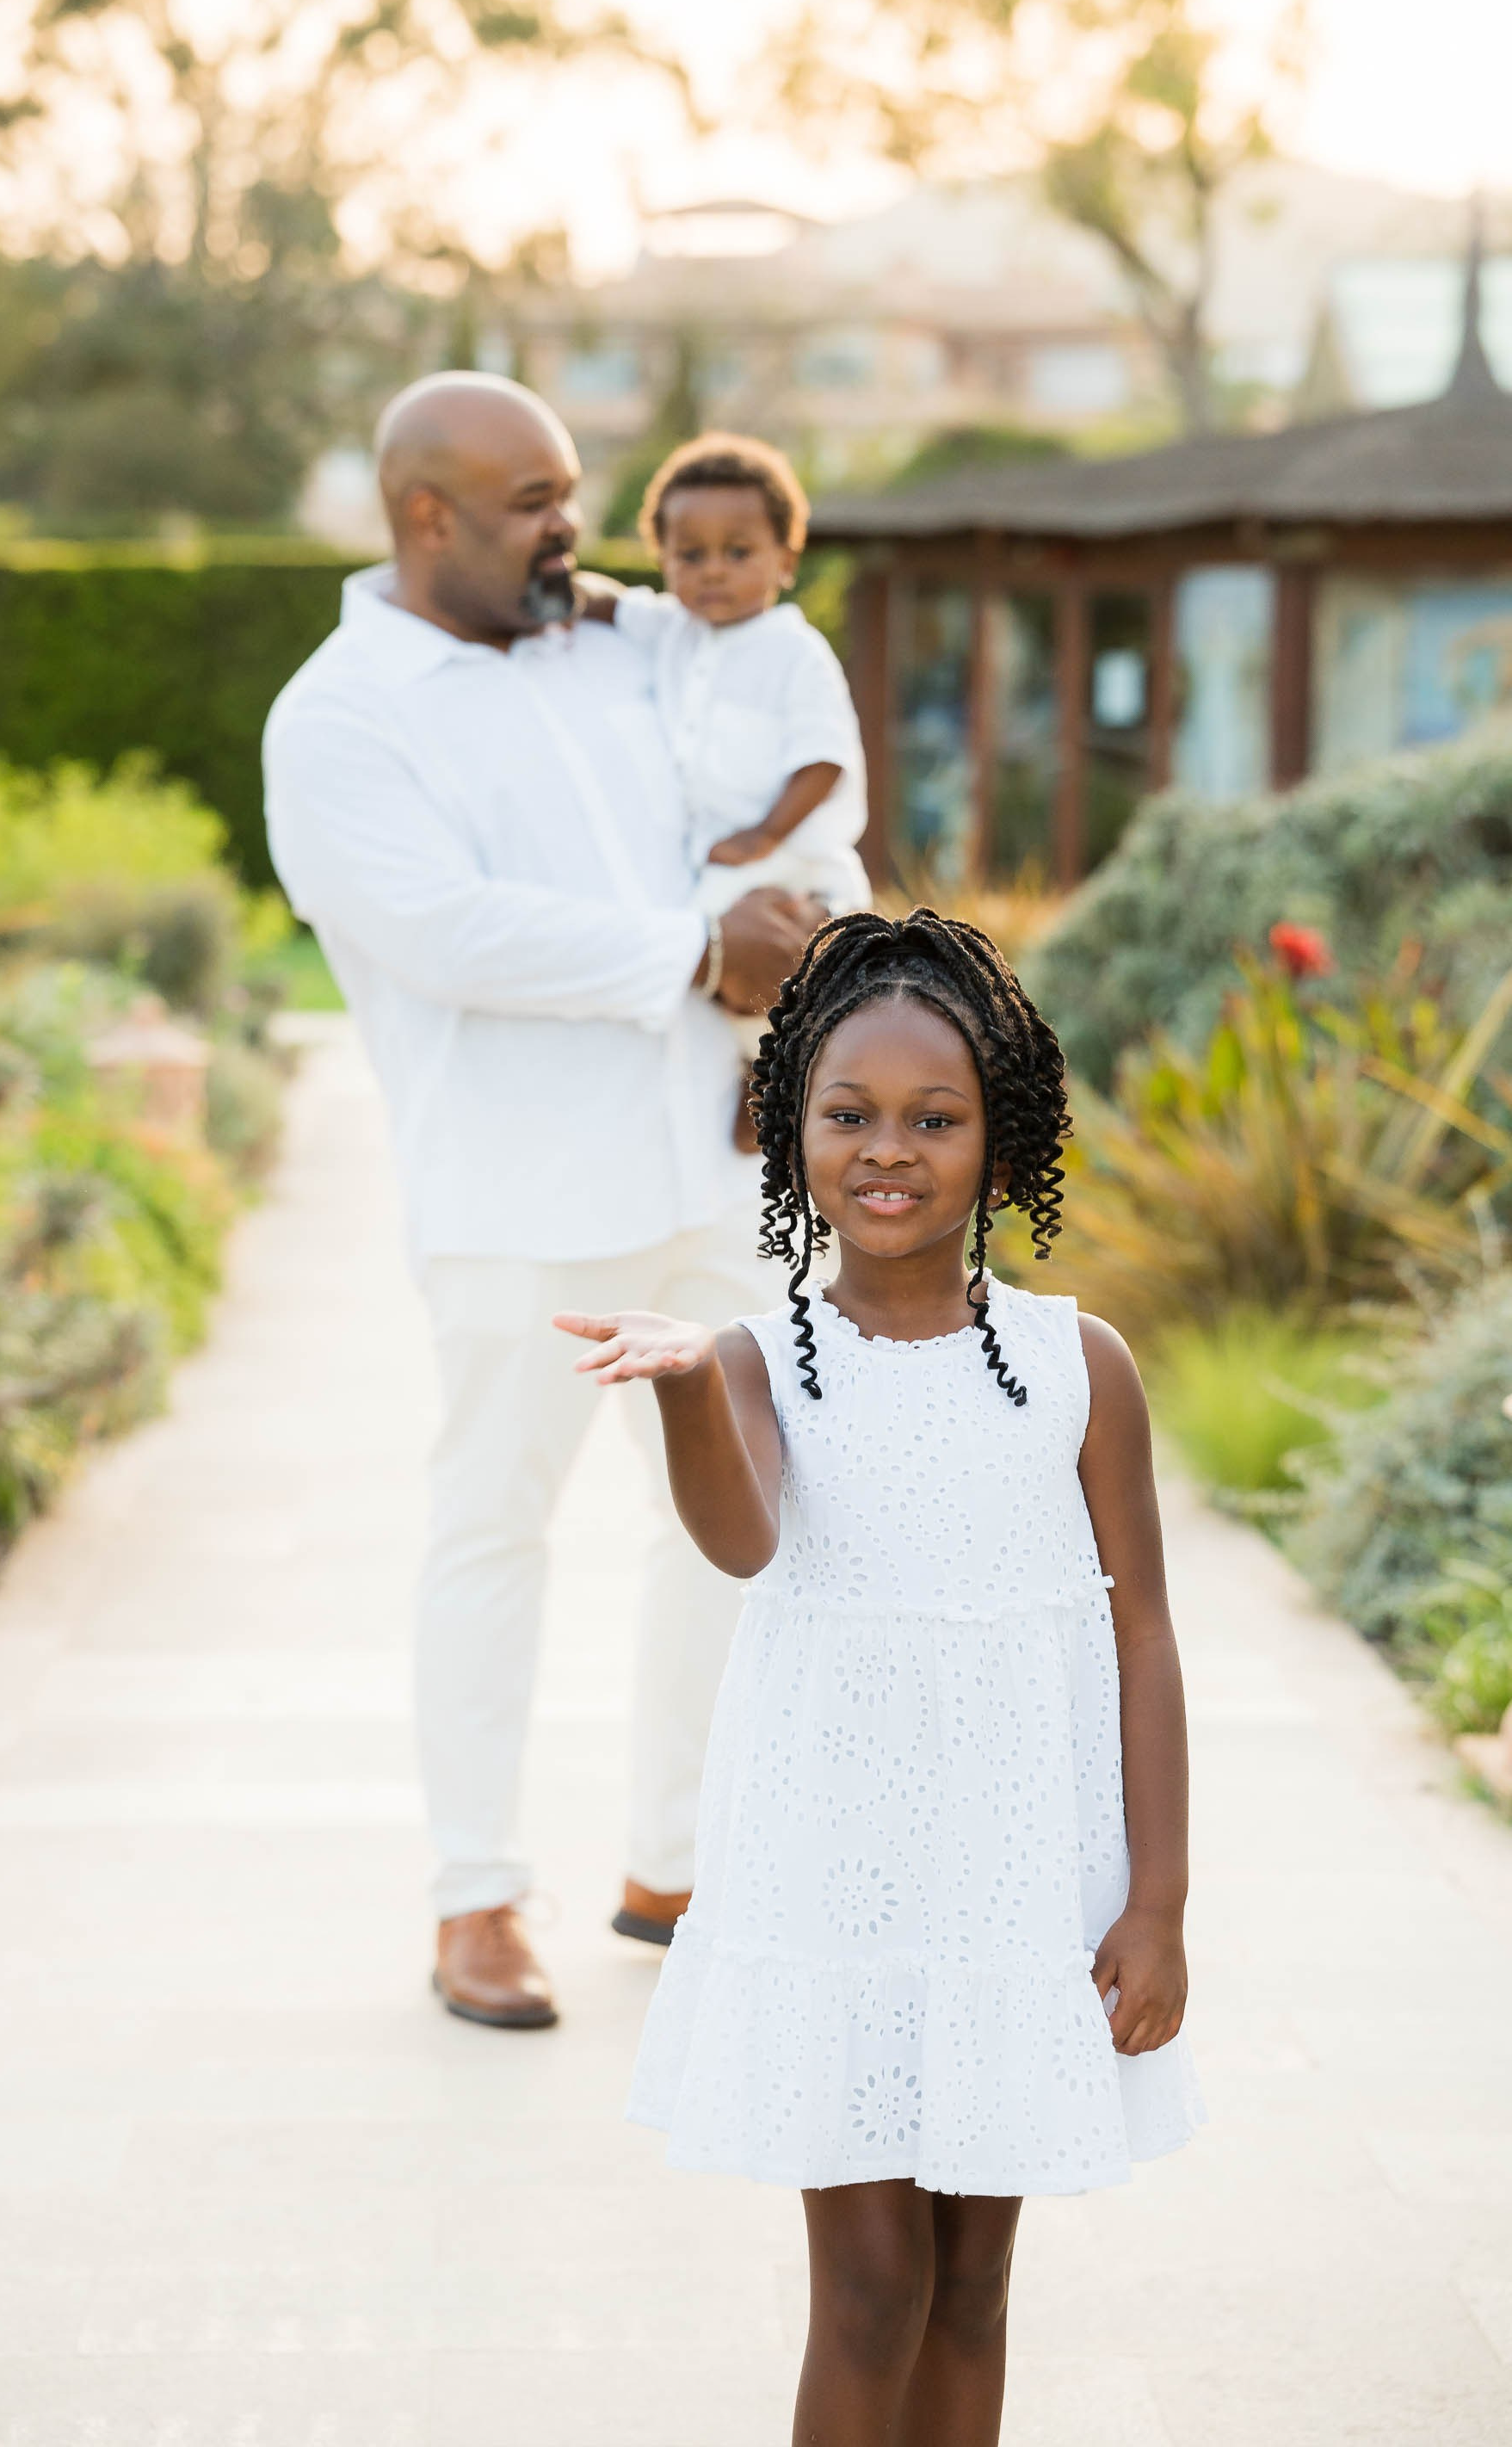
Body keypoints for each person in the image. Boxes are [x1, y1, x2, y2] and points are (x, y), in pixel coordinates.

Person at [558, 909, 1203, 2446]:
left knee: (973, 2290)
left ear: (1004, 1135)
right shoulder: (755, 1358)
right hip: (833, 1889)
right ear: (793, 1130)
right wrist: (681, 1396)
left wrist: (1159, 1903)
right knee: (867, 2289)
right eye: (848, 1115)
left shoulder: (1078, 1367)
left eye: (935, 1116)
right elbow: (737, 1540)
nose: (887, 1150)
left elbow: (1145, 1634)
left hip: (1019, 1893)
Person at [262, 371, 821, 2034]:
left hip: (710, 1165)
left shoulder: (625, 642)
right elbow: (442, 929)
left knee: (738, 1523)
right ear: (423, 514)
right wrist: (693, 953)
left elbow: (773, 696)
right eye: (532, 502)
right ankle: (477, 1899)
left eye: (573, 490)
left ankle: (681, 1867)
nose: (572, 525)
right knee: (496, 1526)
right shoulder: (341, 713)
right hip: (521, 1199)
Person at [589, 432, 871, 1059]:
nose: (713, 569)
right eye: (690, 554)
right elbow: (608, 604)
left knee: (747, 956)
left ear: (786, 559)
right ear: (662, 558)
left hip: (787, 854)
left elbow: (823, 758)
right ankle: (764, 1068)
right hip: (717, 859)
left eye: (738, 552)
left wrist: (766, 836)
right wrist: (561, 592)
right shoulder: (671, 631)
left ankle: (769, 1076)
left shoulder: (792, 652)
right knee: (722, 967)